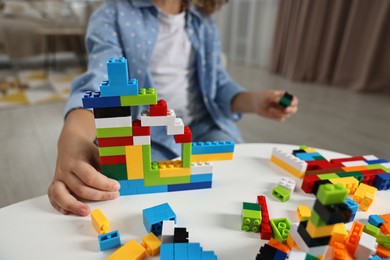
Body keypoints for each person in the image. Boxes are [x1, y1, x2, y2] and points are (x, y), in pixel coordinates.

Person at [48, 0, 299, 216]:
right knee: (130, 194)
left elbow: (219, 84)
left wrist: (255, 101)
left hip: (204, 126)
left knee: (235, 177)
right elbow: (100, 82)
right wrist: (74, 135)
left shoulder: (202, 23)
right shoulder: (112, 15)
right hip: (146, 138)